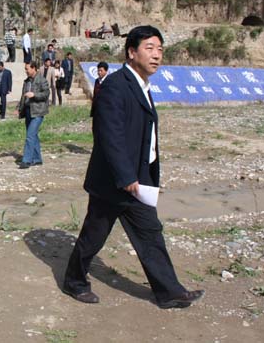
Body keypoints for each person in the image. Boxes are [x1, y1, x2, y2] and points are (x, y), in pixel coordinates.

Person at [63, 25, 205, 309]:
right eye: (149, 48)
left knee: (150, 233)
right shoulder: (115, 86)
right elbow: (109, 135)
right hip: (113, 181)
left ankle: (169, 292)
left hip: (137, 177)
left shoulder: (142, 85)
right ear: (131, 52)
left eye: (160, 49)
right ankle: (74, 281)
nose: (157, 55)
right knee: (94, 237)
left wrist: (144, 174)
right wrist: (126, 176)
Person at [16, 61, 49, 169]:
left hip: (38, 112)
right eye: (25, 69)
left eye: (27, 69)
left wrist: (34, 95)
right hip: (28, 111)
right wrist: (18, 108)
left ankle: (26, 161)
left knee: (30, 136)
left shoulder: (42, 80)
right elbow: (23, 96)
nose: (26, 71)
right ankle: (37, 159)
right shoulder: (26, 81)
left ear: (34, 68)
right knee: (33, 135)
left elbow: (46, 94)